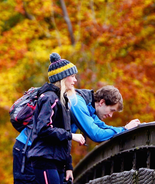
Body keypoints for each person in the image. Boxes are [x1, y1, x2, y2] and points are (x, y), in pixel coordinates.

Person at [20, 53, 85, 184]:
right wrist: (71, 135)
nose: (75, 80)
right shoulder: (49, 98)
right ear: (62, 78)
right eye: (72, 76)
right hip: (44, 159)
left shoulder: (63, 100)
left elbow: (62, 137)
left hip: (57, 161)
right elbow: (43, 129)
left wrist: (69, 166)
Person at [68, 85, 140, 143]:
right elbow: (97, 134)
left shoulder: (90, 108)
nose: (110, 115)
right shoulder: (77, 103)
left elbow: (103, 127)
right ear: (101, 102)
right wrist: (124, 129)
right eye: (111, 110)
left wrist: (125, 129)